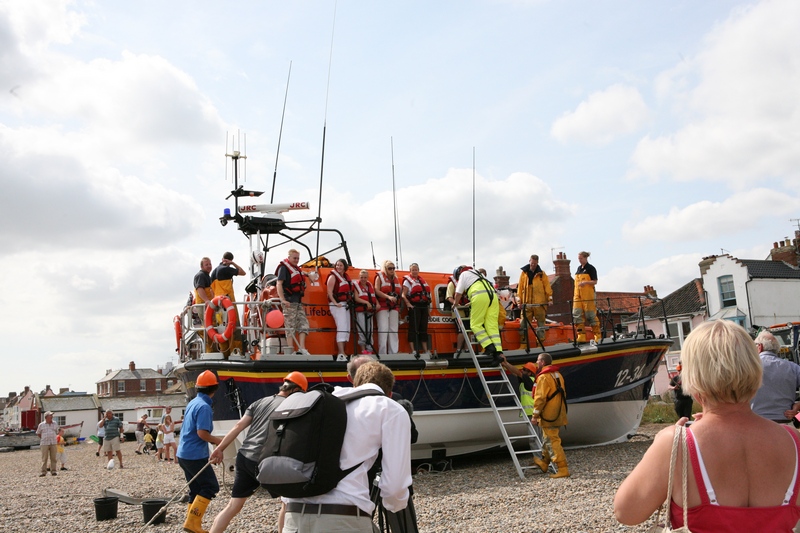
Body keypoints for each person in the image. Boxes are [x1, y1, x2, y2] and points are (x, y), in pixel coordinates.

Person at [614, 320, 800, 531]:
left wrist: (668, 440)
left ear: (693, 377)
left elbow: (626, 512)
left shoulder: (676, 444)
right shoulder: (793, 441)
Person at [282, 361, 412, 533]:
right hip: (344, 517)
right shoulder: (389, 408)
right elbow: (395, 485)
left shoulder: (324, 401)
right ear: (389, 393)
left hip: (294, 515)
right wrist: (395, 505)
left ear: (355, 383)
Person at [208, 372, 308, 533]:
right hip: (264, 461)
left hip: (244, 457)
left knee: (233, 506)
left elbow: (238, 427)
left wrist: (219, 449)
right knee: (286, 503)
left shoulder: (260, 402)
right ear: (295, 390)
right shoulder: (290, 406)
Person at [177, 370, 223, 533]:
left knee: (195, 489)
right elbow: (202, 433)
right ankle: (192, 523)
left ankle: (191, 523)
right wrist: (221, 442)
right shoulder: (204, 407)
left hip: (184, 453)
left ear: (197, 388)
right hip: (194, 455)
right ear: (215, 389)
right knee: (210, 486)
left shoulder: (192, 403)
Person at [452, 266, 502, 363]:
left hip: (479, 296)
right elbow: (485, 290)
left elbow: (458, 294)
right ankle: (498, 353)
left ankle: (488, 346)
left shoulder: (463, 274)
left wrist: (455, 304)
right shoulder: (478, 274)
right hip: (493, 297)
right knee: (492, 326)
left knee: (475, 324)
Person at [530, 352, 569, 478]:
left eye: (537, 361)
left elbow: (540, 398)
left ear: (542, 362)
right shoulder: (558, 375)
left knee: (552, 440)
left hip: (549, 415)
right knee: (548, 438)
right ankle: (544, 463)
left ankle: (562, 468)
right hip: (559, 412)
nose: (536, 363)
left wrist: (535, 416)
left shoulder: (543, 377)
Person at [751, 330, 800, 423]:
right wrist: (797, 407)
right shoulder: (793, 368)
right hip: (785, 423)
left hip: (756, 423)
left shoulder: (749, 367)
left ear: (759, 347)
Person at [275, 249, 313, 355]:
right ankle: (290, 350)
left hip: (298, 302)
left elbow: (300, 272)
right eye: (294, 258)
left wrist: (308, 274)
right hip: (289, 301)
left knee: (304, 324)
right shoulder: (283, 268)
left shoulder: (296, 268)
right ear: (289, 257)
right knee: (290, 326)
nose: (296, 260)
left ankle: (302, 348)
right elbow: (279, 283)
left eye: (298, 258)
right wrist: (283, 299)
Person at [516, 254, 552, 349]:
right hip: (527, 304)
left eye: (535, 264)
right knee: (523, 324)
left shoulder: (542, 274)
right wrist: (519, 301)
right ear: (529, 261)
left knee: (541, 325)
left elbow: (547, 287)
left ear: (537, 263)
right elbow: (520, 288)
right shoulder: (524, 273)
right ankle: (523, 344)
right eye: (532, 263)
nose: (533, 265)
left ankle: (540, 344)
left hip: (539, 304)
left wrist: (550, 299)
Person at [402, 263, 431, 355]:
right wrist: (408, 304)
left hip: (424, 306)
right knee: (413, 328)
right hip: (414, 306)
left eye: (416, 269)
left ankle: (425, 350)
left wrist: (428, 311)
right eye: (413, 270)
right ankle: (413, 350)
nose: (414, 271)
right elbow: (403, 294)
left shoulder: (423, 281)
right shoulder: (407, 281)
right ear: (410, 271)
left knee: (423, 328)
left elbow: (427, 296)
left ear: (418, 270)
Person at [326, 258, 353, 357]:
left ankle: (344, 352)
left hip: (345, 305)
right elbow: (329, 292)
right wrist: (335, 303)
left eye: (341, 265)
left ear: (345, 267)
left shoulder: (345, 277)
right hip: (338, 305)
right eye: (337, 265)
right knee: (341, 327)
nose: (338, 267)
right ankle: (341, 352)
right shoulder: (333, 277)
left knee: (346, 328)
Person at [374, 260, 401, 355]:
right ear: (385, 269)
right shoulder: (379, 277)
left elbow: (400, 293)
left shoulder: (396, 278)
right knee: (383, 329)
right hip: (382, 306)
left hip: (394, 307)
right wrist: (388, 297)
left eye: (393, 268)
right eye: (390, 268)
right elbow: (376, 290)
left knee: (394, 330)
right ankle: (382, 353)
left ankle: (393, 352)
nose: (392, 270)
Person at [572, 251, 599, 343]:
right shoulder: (578, 269)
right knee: (576, 314)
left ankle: (597, 335)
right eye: (579, 258)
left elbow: (595, 281)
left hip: (588, 295)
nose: (579, 260)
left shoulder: (591, 268)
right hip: (577, 295)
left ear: (585, 258)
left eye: (581, 258)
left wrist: (586, 283)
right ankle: (581, 335)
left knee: (591, 315)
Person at [353, 269, 378, 354]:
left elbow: (374, 297)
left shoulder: (369, 286)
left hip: (369, 312)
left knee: (370, 331)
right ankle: (363, 351)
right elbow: (356, 298)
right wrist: (366, 302)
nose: (363, 279)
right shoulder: (356, 286)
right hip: (361, 311)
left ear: (367, 278)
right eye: (361, 277)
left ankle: (369, 350)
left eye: (365, 277)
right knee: (362, 331)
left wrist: (377, 304)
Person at [446, 274, 469, 353]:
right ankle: (458, 349)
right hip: (458, 312)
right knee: (461, 330)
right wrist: (456, 304)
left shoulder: (466, 283)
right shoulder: (452, 284)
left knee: (468, 331)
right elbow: (449, 297)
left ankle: (467, 348)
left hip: (468, 311)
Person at [36, 411, 59, 477]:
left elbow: (56, 431)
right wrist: (43, 438)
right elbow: (38, 433)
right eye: (50, 416)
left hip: (53, 442)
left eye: (52, 416)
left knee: (53, 458)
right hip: (44, 443)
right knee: (44, 458)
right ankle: (43, 472)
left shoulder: (55, 423)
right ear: (46, 417)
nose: (52, 417)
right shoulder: (41, 424)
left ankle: (53, 471)